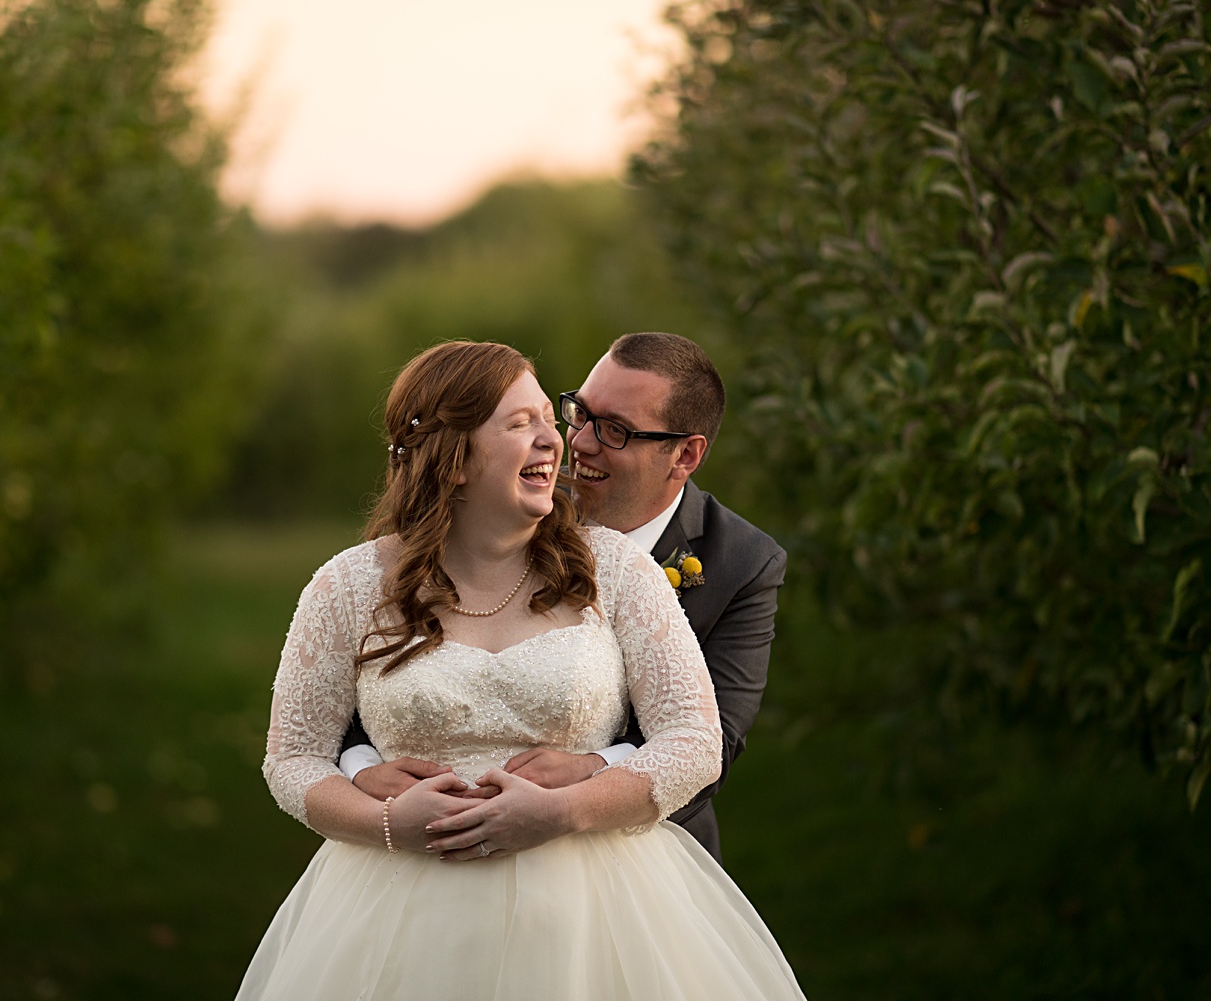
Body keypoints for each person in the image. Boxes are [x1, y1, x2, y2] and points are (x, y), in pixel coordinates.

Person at [234, 341, 804, 1000]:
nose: (560, 442)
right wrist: (389, 822)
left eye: (545, 417)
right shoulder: (347, 585)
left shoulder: (615, 568)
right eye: (522, 423)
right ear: (454, 460)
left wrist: (562, 810)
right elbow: (293, 757)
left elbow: (700, 741)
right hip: (397, 913)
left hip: (598, 912)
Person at [341, 332, 785, 861]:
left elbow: (713, 740)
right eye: (579, 413)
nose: (580, 443)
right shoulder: (503, 502)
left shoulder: (742, 562)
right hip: (423, 846)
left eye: (616, 430)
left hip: (632, 858)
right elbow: (365, 684)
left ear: (685, 455)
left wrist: (593, 768)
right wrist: (364, 769)